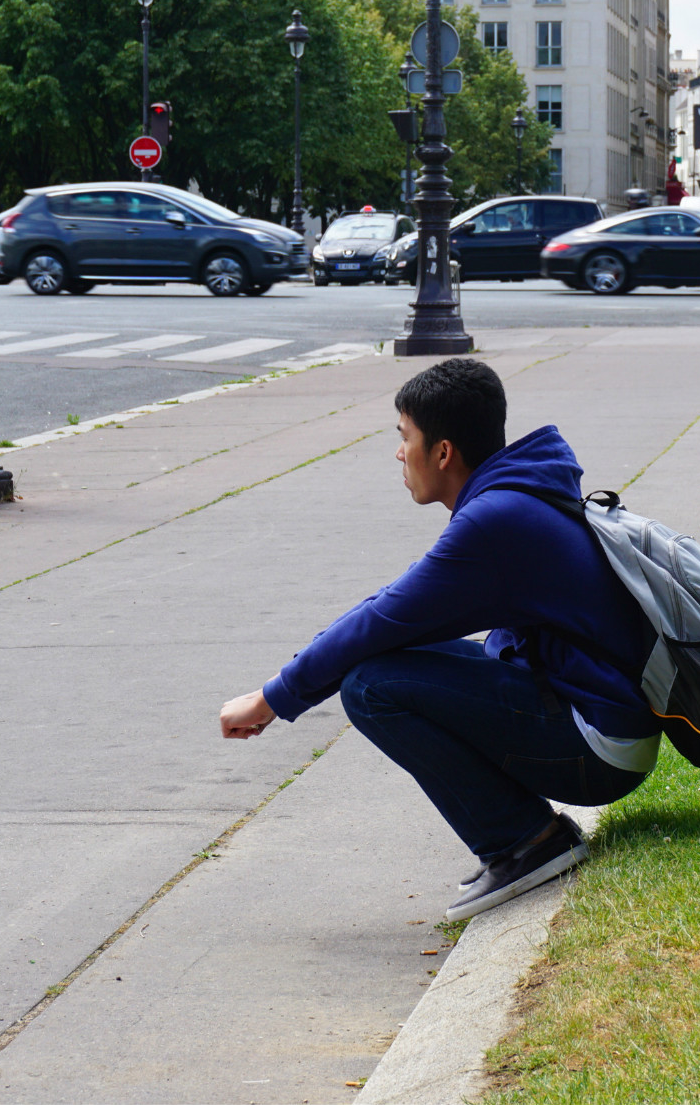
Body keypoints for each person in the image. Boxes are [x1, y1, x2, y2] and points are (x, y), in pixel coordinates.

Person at [217, 359, 660, 920]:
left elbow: (380, 619)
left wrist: (269, 700)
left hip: (599, 746)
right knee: (388, 663)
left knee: (373, 686)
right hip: (605, 721)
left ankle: (526, 841)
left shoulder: (494, 521)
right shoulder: (513, 495)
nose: (399, 453)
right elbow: (388, 611)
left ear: (443, 452)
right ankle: (522, 833)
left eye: (405, 438)